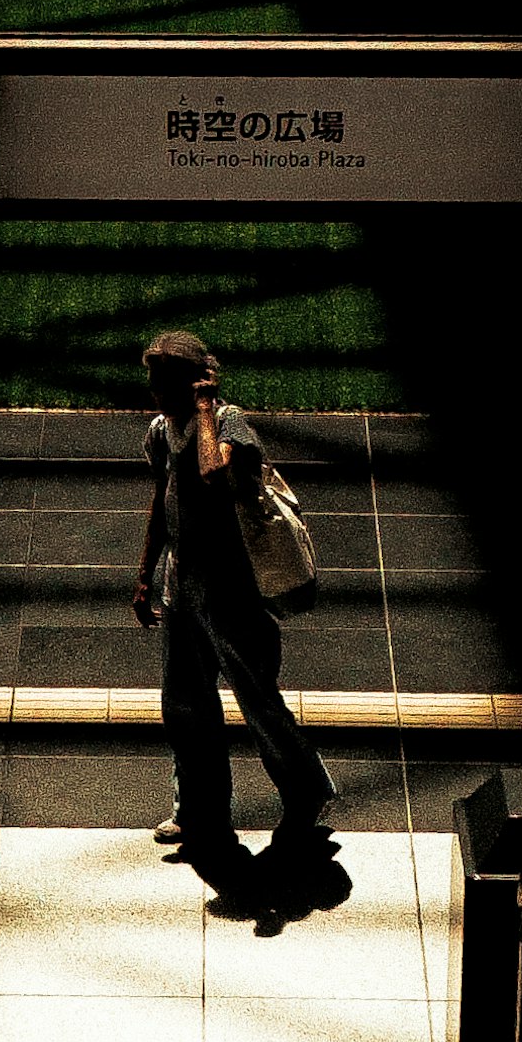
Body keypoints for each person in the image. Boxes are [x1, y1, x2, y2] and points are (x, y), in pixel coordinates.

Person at [132, 326, 344, 925]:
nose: (151, 390)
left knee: (258, 702)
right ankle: (198, 811)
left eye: (161, 380)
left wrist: (205, 408)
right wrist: (147, 571)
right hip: (183, 590)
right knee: (186, 704)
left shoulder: (228, 427)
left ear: (192, 382)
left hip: (233, 596)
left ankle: (304, 793)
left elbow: (211, 476)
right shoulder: (160, 433)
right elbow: (165, 497)